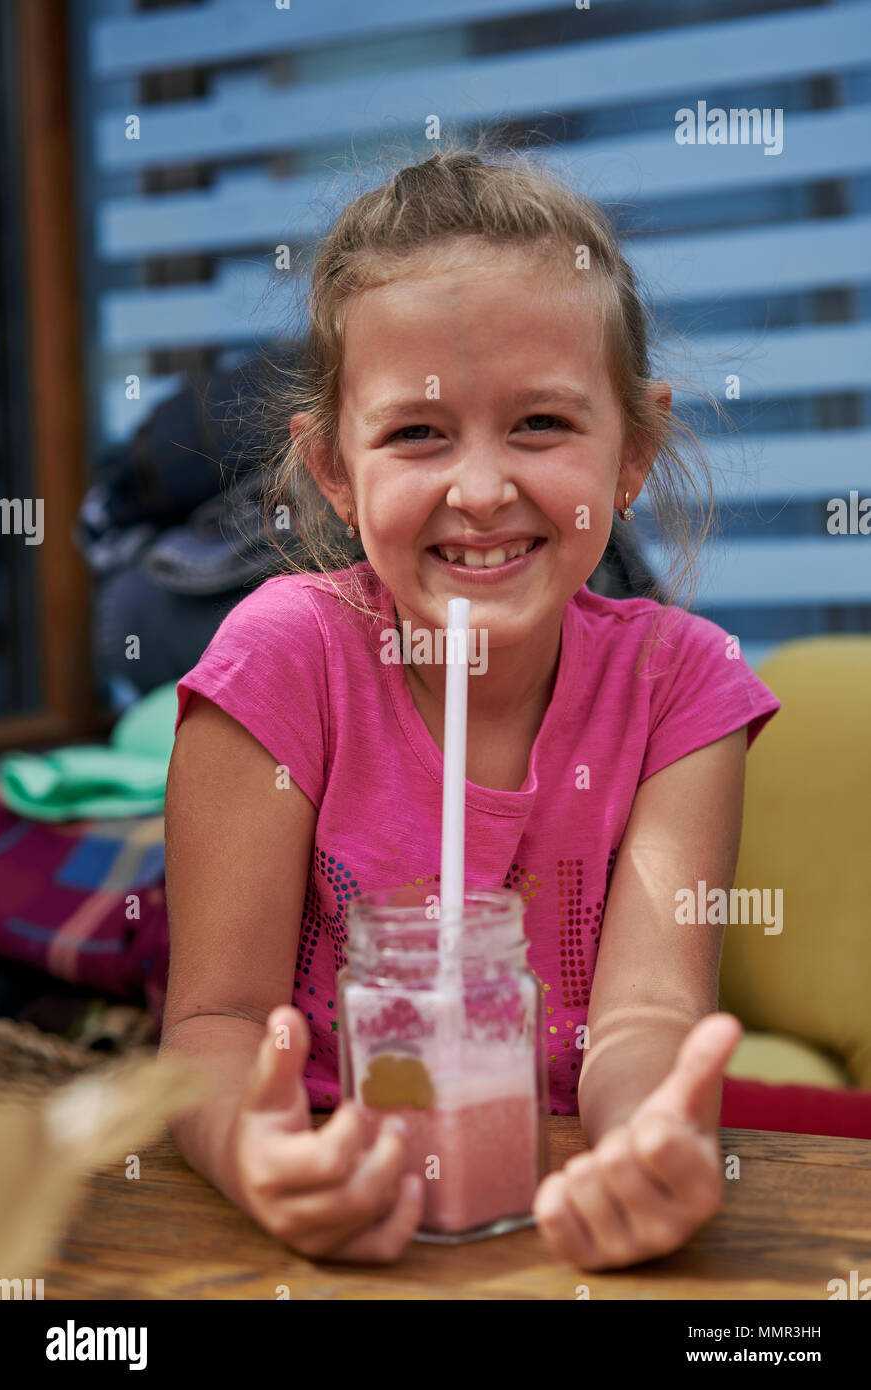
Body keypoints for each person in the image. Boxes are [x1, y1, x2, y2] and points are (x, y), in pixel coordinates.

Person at [161, 145, 780, 1271]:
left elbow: (641, 1013)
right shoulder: (285, 659)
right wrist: (255, 1155)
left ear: (631, 449)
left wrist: (646, 1138)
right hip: (318, 1201)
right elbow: (210, 1025)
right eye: (416, 433)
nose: (482, 490)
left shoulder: (680, 684)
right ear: (334, 470)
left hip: (548, 1214)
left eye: (540, 423)